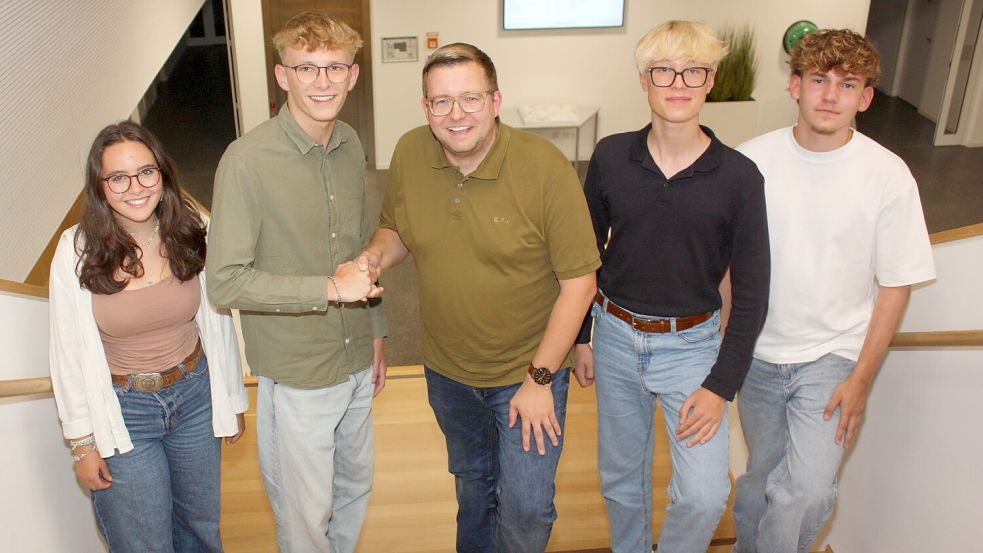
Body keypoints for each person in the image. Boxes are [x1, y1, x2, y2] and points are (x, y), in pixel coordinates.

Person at [358, 43, 599, 553]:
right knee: (474, 492)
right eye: (441, 102)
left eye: (470, 98)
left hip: (527, 372)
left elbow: (581, 285)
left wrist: (538, 379)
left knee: (526, 508)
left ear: (495, 101)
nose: (456, 114)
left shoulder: (545, 168)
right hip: (448, 374)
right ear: (426, 109)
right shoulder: (409, 152)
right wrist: (374, 258)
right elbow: (395, 230)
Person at [732, 29, 936, 553]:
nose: (829, 95)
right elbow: (726, 266)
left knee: (806, 489)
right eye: (818, 80)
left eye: (847, 85)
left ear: (865, 98)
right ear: (794, 86)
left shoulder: (888, 176)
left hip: (833, 356)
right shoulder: (749, 163)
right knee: (761, 481)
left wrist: (861, 379)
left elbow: (895, 286)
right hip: (757, 354)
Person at [573, 21, 770, 553]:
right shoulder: (612, 157)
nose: (678, 82)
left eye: (693, 70)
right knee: (622, 482)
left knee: (704, 496)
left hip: (692, 351)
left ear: (711, 80)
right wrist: (582, 337)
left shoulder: (740, 177)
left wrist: (720, 386)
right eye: (664, 70)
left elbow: (752, 296)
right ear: (644, 80)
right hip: (614, 336)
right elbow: (584, 259)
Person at [205, 11, 386, 553]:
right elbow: (225, 284)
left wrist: (375, 329)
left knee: (353, 489)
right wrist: (328, 290)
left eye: (334, 67)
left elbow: (359, 252)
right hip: (300, 372)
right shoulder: (246, 162)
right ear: (282, 76)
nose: (323, 81)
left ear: (354, 76)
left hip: (355, 355)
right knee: (307, 515)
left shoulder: (350, 143)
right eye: (307, 68)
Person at [48, 121, 248, 552]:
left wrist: (231, 399)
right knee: (145, 542)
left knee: (201, 531)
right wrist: (82, 445)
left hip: (196, 398)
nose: (135, 187)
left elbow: (218, 320)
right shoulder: (76, 250)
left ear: (163, 175)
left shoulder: (195, 230)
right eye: (118, 177)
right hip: (124, 413)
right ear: (100, 187)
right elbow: (66, 353)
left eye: (146, 172)